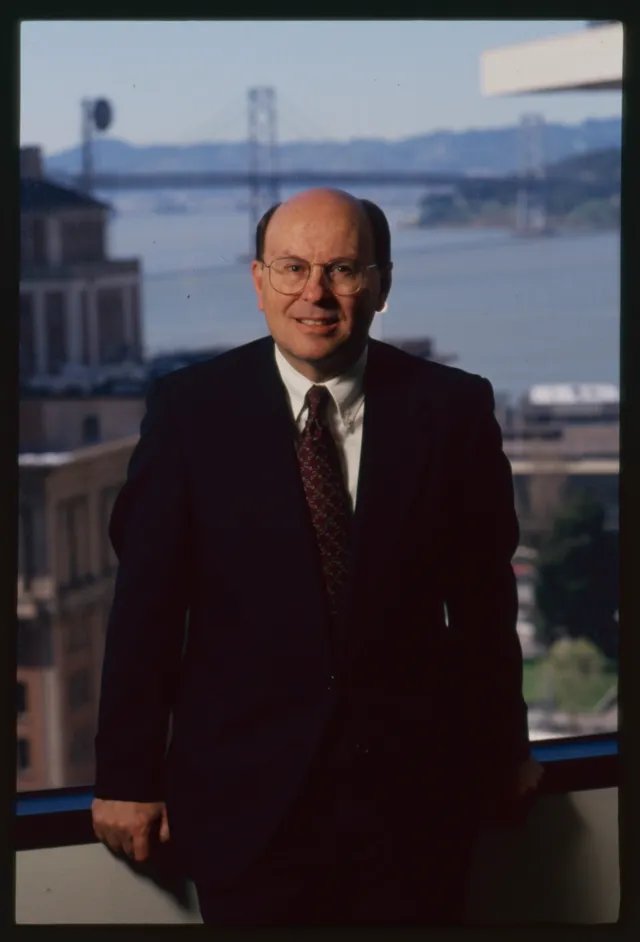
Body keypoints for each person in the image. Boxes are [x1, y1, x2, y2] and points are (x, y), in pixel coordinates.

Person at [92, 188, 543, 926]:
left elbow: (484, 601)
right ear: (258, 281)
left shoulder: (452, 408)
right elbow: (147, 604)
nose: (316, 294)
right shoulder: (190, 411)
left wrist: (506, 748)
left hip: (416, 805)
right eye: (293, 268)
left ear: (382, 284)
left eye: (343, 270)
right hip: (245, 807)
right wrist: (126, 777)